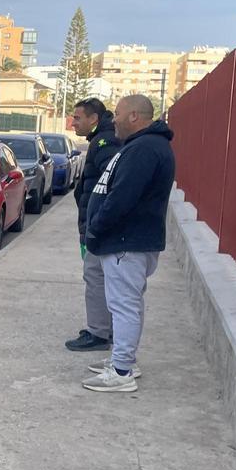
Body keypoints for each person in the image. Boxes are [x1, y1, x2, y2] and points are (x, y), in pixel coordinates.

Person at [81, 94, 176, 393]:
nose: (114, 119)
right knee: (127, 304)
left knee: (124, 306)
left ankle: (122, 371)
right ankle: (125, 361)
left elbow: (121, 198)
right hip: (128, 240)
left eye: (119, 113)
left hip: (126, 241)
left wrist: (96, 228)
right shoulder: (142, 146)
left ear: (135, 116)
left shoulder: (144, 150)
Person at [65, 98, 121, 353]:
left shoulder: (104, 142)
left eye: (77, 117)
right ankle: (103, 329)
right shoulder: (101, 139)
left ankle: (99, 333)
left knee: (96, 278)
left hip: (97, 226)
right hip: (93, 222)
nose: (73, 122)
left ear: (93, 119)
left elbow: (112, 184)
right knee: (99, 278)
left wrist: (96, 222)